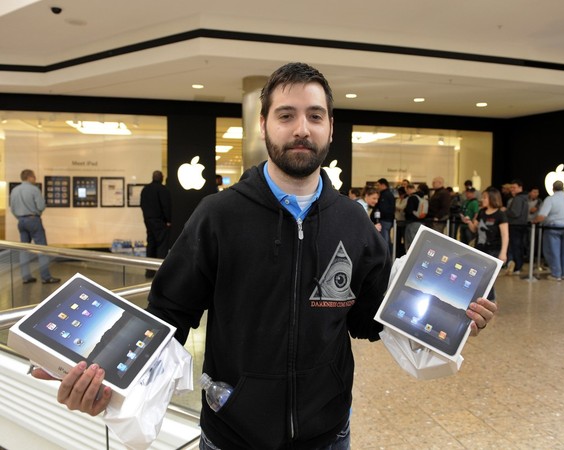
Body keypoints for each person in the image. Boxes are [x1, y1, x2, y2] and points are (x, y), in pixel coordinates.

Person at [36, 62, 497, 450]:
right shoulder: (218, 215)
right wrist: (104, 375)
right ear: (263, 125)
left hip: (328, 432)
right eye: (286, 115)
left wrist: (450, 319)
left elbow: (372, 317)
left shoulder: (352, 221)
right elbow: (169, 319)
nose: (302, 128)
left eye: (315, 116)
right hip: (232, 434)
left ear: (331, 127)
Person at [9, 169, 60, 284]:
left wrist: (20, 218)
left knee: (24, 250)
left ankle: (26, 277)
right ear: (30, 177)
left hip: (21, 222)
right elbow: (41, 206)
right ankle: (46, 277)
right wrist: (36, 214)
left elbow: (12, 208)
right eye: (34, 177)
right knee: (42, 249)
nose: (35, 179)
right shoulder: (34, 189)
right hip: (33, 220)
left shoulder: (15, 190)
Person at [462, 186, 508, 301]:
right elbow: (474, 229)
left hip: (494, 249)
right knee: (479, 275)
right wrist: (468, 221)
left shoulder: (500, 215)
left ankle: (490, 300)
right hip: (480, 248)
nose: (483, 200)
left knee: (487, 276)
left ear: (492, 198)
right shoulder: (482, 212)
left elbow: (505, 235)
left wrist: (503, 253)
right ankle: (486, 298)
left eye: (485, 197)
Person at [533, 180, 564, 281]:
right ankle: (563, 273)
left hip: (553, 227)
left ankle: (556, 274)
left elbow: (542, 216)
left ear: (553, 188)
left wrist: (534, 221)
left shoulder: (550, 199)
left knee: (553, 251)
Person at [140, 170, 172, 278]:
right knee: (162, 246)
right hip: (160, 221)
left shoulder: (145, 189)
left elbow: (142, 205)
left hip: (148, 221)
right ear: (161, 178)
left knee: (151, 244)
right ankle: (160, 272)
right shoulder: (163, 190)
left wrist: (147, 218)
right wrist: (168, 220)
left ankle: (149, 271)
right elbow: (166, 206)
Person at [505, 179, 529, 276]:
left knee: (515, 247)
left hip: (515, 225)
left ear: (520, 188)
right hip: (521, 225)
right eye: (511, 188)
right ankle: (517, 266)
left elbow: (515, 213)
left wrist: (505, 211)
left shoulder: (518, 199)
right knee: (518, 246)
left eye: (514, 187)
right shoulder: (524, 198)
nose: (512, 189)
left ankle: (517, 267)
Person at [376, 178, 395, 250]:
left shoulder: (385, 195)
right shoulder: (389, 194)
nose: (377, 187)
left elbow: (383, 208)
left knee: (384, 239)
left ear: (383, 185)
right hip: (388, 219)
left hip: (385, 220)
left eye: (378, 185)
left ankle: (386, 257)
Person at [394, 186, 408, 257]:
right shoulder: (398, 200)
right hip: (397, 221)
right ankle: (397, 253)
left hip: (404, 221)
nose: (400, 195)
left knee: (405, 239)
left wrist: (397, 207)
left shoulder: (406, 200)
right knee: (397, 239)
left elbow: (402, 207)